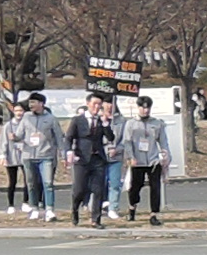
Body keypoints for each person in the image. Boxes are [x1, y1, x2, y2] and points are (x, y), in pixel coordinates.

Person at [61, 92, 120, 228]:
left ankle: (96, 220)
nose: (97, 107)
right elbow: (69, 137)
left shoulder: (101, 121)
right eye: (94, 104)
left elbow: (110, 138)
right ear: (88, 104)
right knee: (79, 189)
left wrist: (105, 124)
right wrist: (69, 151)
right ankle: (75, 210)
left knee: (98, 190)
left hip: (98, 159)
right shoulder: (78, 120)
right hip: (82, 158)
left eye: (99, 104)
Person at [120, 97, 170, 224]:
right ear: (138, 108)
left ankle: (154, 214)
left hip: (153, 160)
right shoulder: (131, 124)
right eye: (143, 107)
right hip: (138, 161)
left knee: (155, 187)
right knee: (135, 187)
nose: (145, 110)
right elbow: (127, 142)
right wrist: (131, 157)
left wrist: (165, 155)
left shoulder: (157, 123)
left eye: (148, 108)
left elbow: (163, 141)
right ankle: (132, 208)